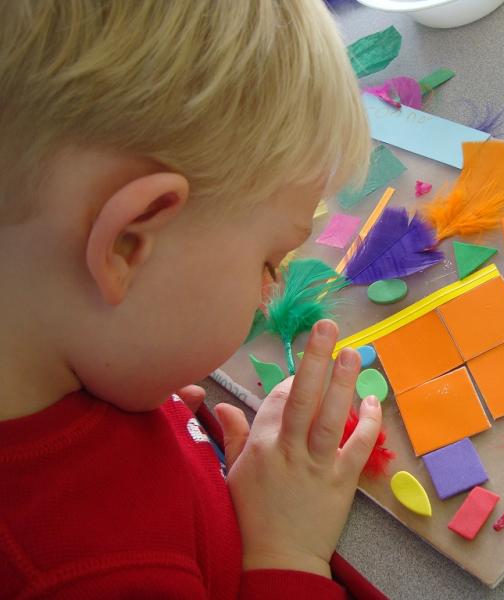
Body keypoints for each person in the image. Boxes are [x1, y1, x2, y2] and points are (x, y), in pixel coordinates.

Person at [0, 1, 386, 597]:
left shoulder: (70, 351)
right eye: (268, 262)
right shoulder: (97, 576)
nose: (271, 294)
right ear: (129, 242)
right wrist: (285, 551)